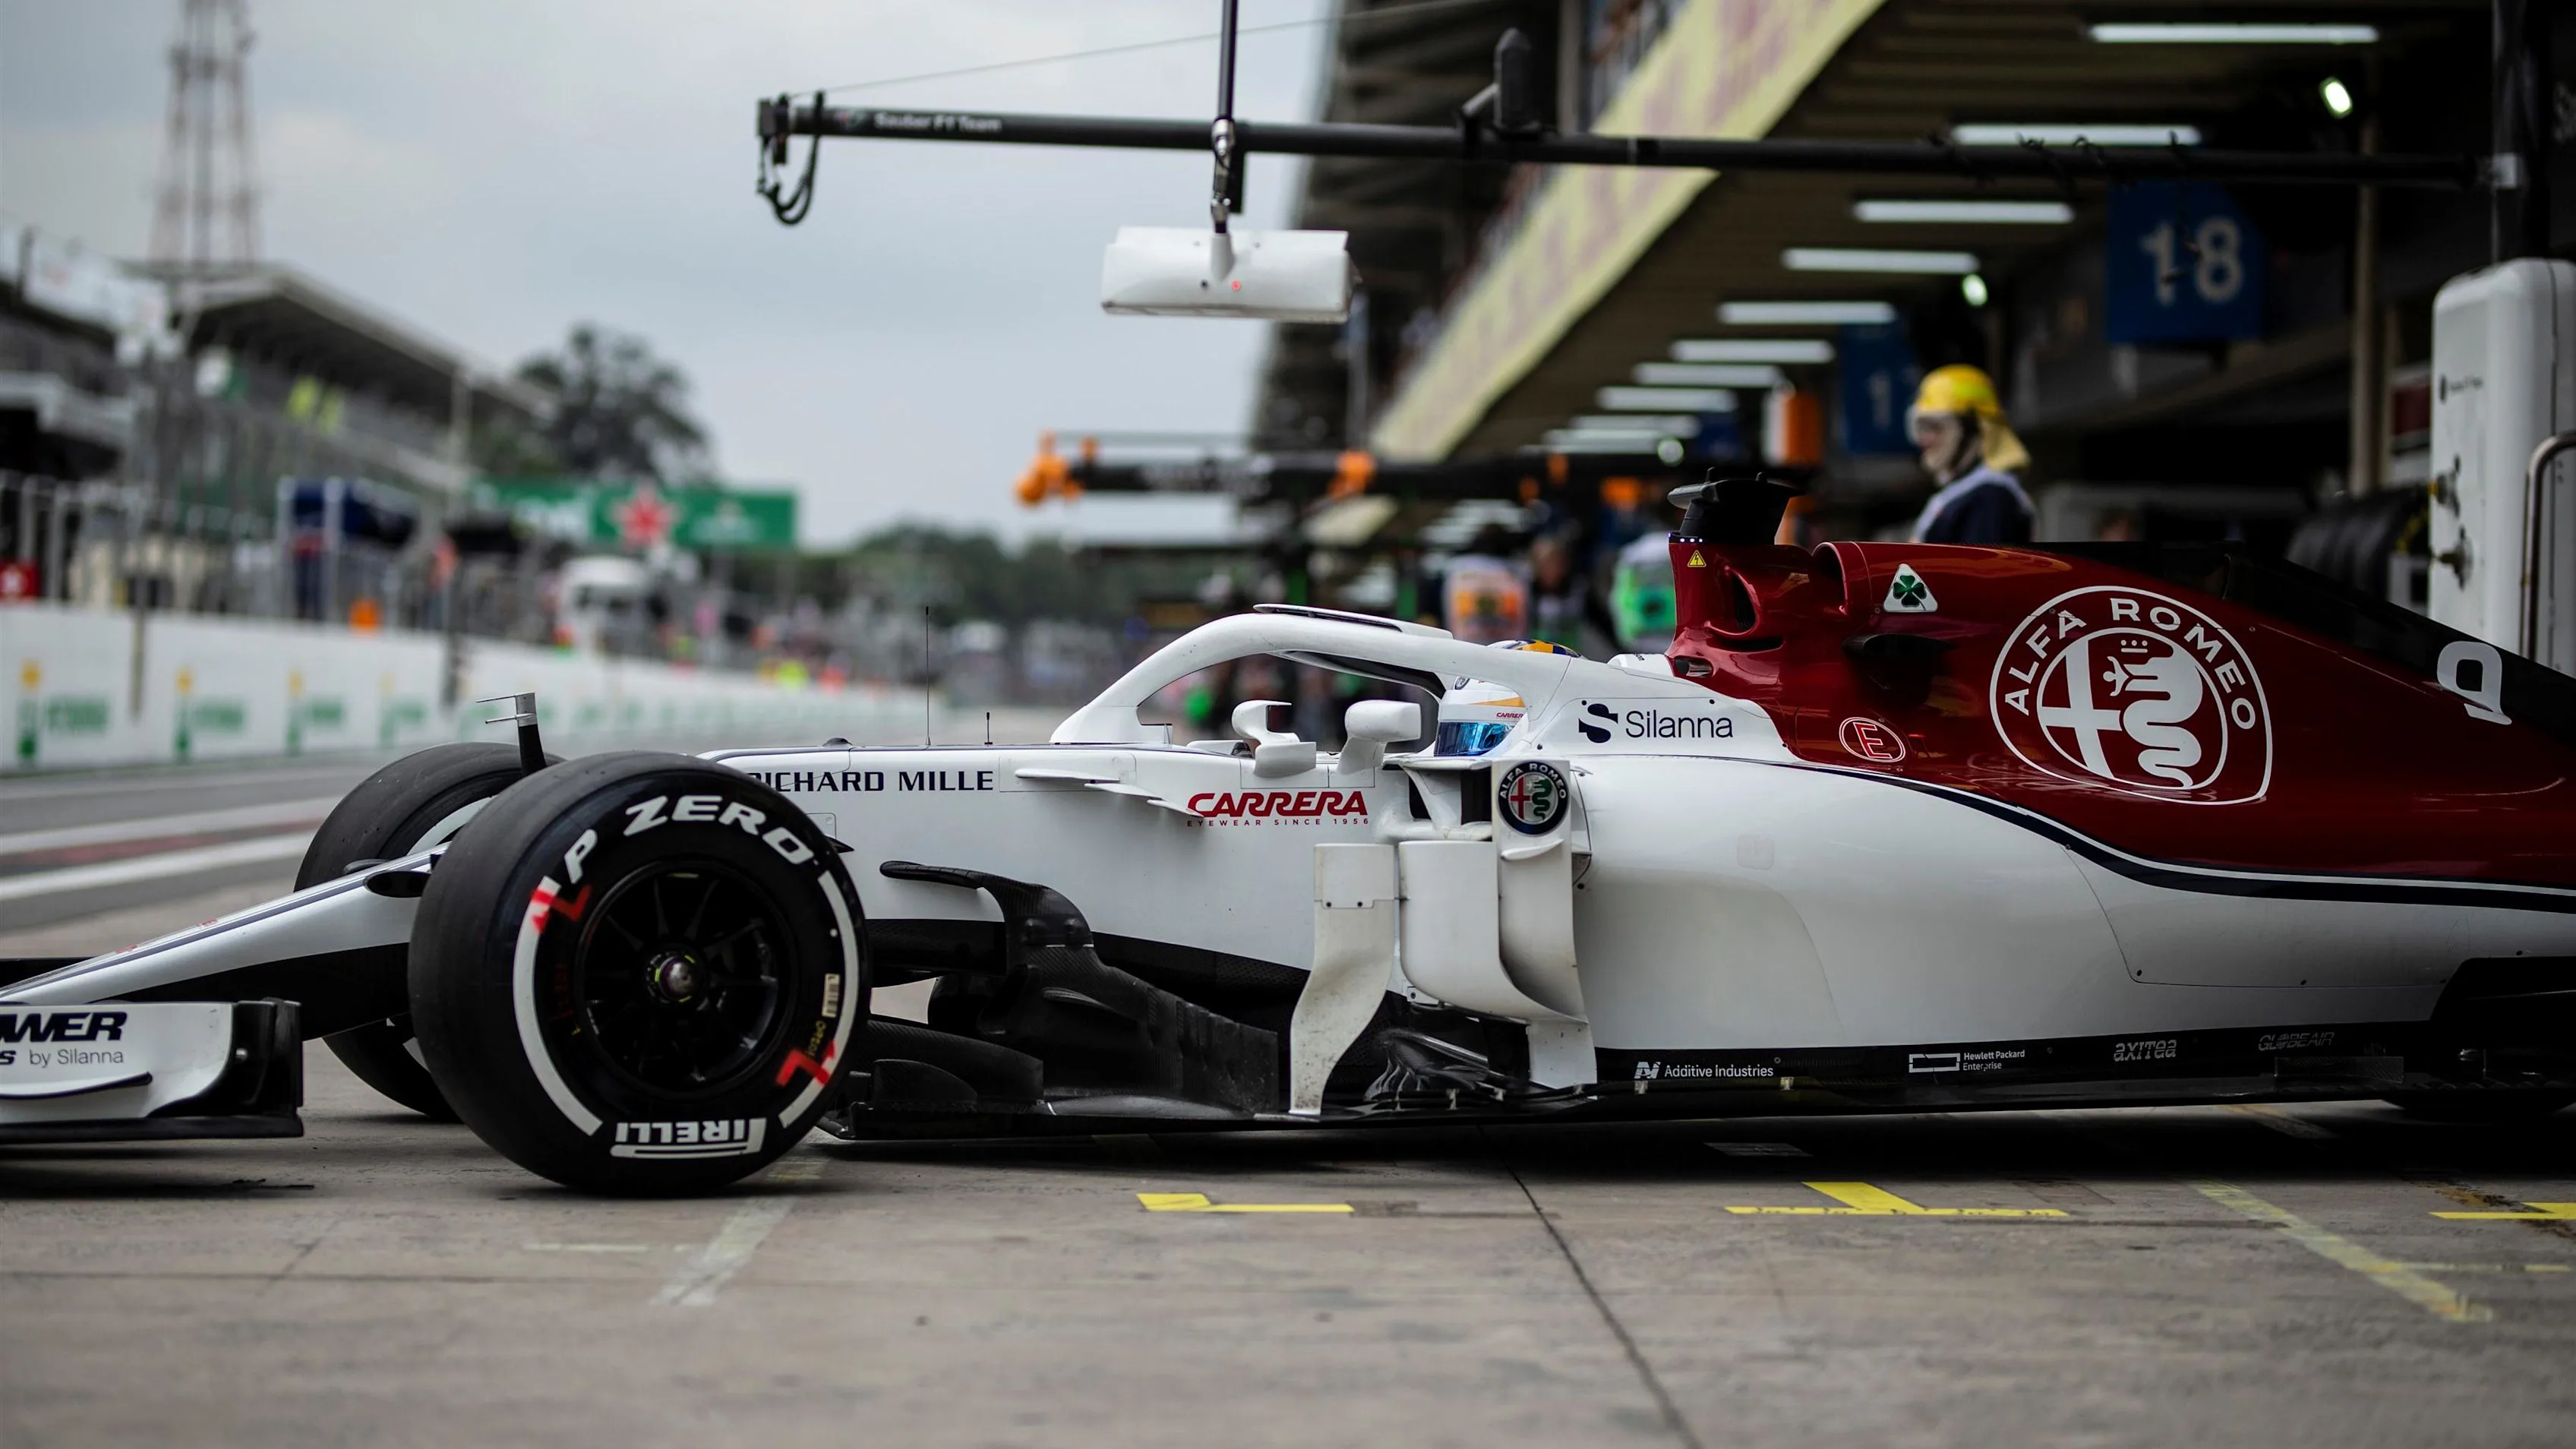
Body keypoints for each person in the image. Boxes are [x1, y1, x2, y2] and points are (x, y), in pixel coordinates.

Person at [1906, 365, 2035, 545]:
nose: (1924, 439)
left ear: (1973, 430)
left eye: (1935, 427)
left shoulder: (1991, 498)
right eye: (1920, 427)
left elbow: (1980, 570)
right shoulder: (1969, 493)